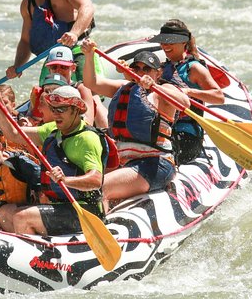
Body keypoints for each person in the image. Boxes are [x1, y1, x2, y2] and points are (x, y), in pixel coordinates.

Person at [80, 39, 190, 210]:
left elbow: (185, 103)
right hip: (127, 164)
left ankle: (101, 230)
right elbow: (91, 83)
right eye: (136, 68)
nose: (141, 72)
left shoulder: (163, 92)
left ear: (158, 73)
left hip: (155, 164)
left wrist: (154, 86)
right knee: (84, 184)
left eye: (147, 69)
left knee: (97, 188)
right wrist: (88, 55)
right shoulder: (123, 87)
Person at [0, 85, 107, 236]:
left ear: (76, 109)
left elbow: (95, 181)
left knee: (21, 217)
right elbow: (13, 134)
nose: (56, 114)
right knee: (4, 213)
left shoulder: (87, 139)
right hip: (57, 205)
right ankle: (41, 242)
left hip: (83, 209)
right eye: (53, 109)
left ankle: (33, 255)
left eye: (61, 109)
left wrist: (65, 180)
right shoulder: (53, 129)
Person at [149, 19, 225, 165]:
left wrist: (189, 91)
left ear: (184, 42)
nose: (165, 45)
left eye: (170, 41)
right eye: (163, 41)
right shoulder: (162, 68)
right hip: (163, 129)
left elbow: (219, 97)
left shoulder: (194, 68)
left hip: (187, 134)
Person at [27, 46, 97, 126]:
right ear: (49, 69)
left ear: (73, 68)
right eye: (54, 67)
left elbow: (88, 122)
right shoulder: (43, 90)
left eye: (64, 67)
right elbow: (30, 117)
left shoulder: (81, 89)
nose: (58, 70)